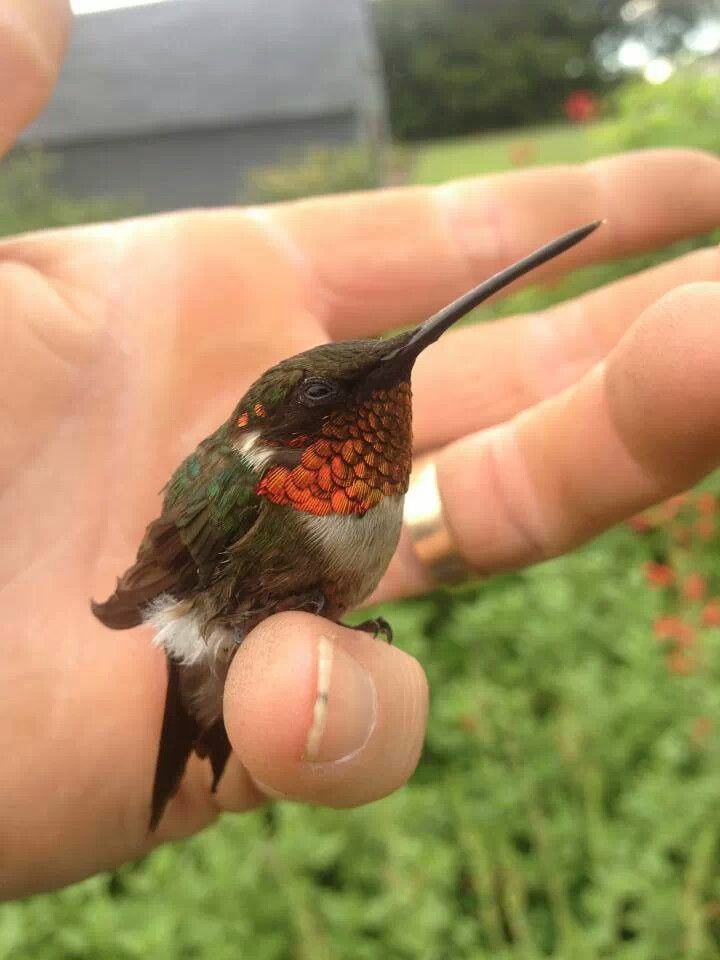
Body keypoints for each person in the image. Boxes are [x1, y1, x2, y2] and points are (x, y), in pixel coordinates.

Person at [2, 0, 720, 900]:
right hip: (209, 624)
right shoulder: (246, 487)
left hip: (298, 589)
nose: (389, 377)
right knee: (212, 704)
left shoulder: (373, 491)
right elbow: (178, 583)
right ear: (282, 431)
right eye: (327, 394)